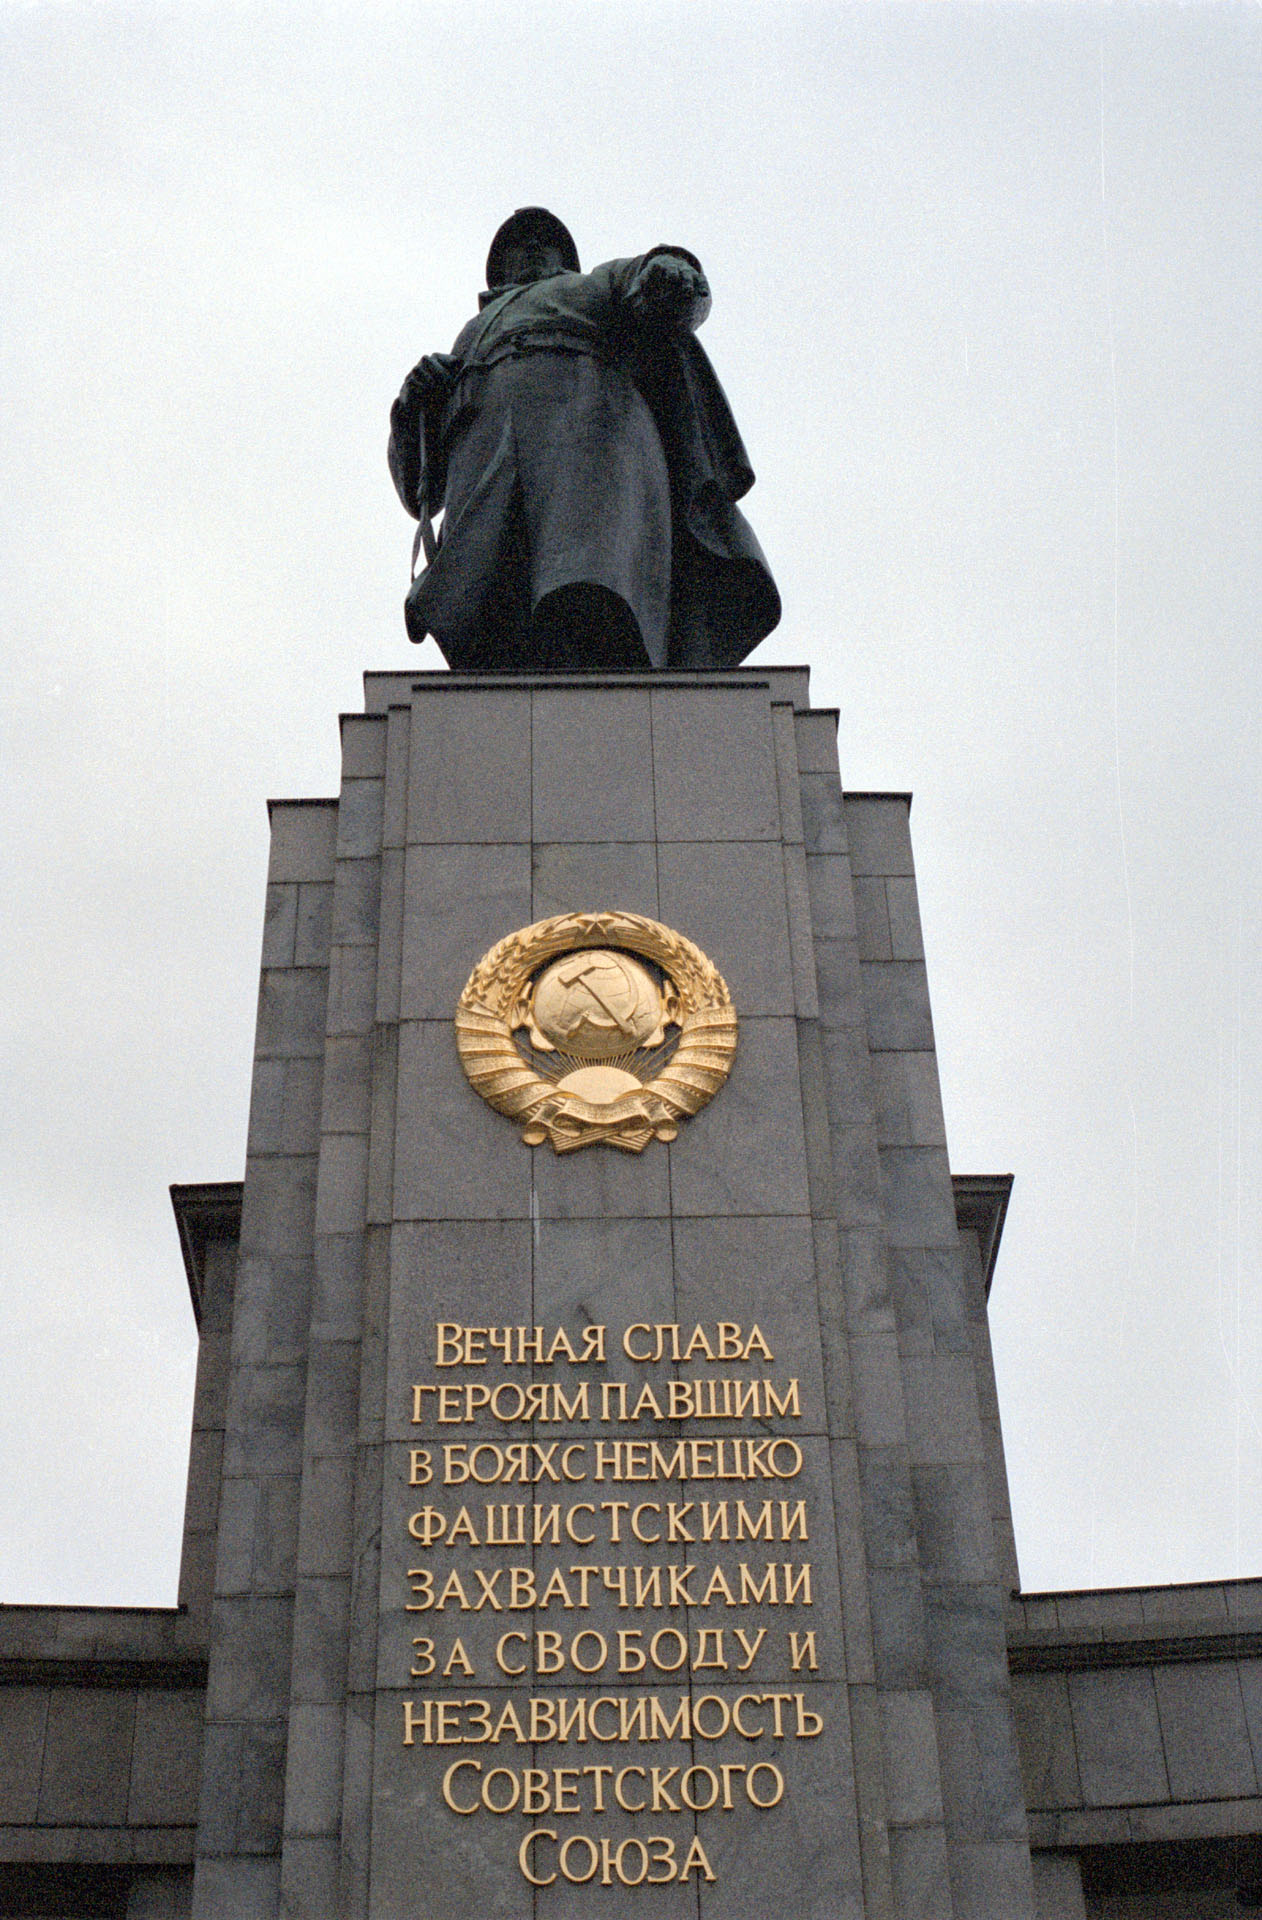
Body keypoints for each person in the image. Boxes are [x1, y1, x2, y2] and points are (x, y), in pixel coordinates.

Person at [389, 208, 780, 671]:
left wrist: (668, 267)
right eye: (517, 244)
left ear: (565, 259)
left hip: (589, 439)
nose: (532, 248)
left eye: (545, 240)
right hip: (488, 458)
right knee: (490, 608)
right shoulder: (473, 332)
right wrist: (414, 404)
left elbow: (648, 280)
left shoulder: (590, 286)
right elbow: (419, 488)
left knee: (588, 585)